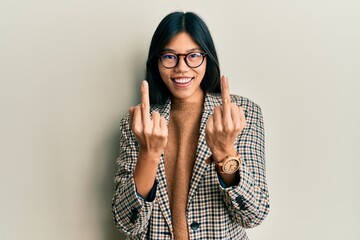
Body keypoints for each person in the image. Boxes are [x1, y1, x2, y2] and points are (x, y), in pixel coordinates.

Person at [112, 11, 270, 239]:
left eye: (193, 55)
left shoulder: (240, 114)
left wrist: (225, 152)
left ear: (207, 58)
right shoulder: (136, 123)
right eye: (169, 56)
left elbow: (253, 215)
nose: (182, 68)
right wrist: (149, 154)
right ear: (157, 61)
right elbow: (127, 223)